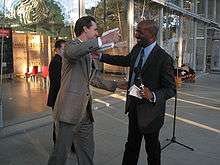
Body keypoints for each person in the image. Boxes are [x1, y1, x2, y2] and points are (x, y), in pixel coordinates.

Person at [98, 20, 176, 165]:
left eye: (140, 32)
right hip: (133, 106)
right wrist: (101, 57)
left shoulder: (164, 59)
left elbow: (171, 89)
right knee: (131, 145)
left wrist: (152, 95)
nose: (136, 35)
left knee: (152, 149)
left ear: (151, 34)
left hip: (151, 114)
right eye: (136, 31)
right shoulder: (137, 49)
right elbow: (125, 60)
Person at [47, 16, 119, 165]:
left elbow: (92, 76)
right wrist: (102, 41)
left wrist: (116, 85)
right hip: (68, 111)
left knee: (87, 152)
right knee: (60, 155)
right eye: (95, 29)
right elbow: (74, 52)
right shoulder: (70, 46)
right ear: (85, 29)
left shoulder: (86, 52)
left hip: (85, 113)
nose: (97, 33)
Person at [47, 39, 76, 153]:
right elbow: (58, 83)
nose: (66, 51)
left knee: (65, 122)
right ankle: (59, 146)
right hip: (59, 98)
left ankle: (67, 145)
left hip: (63, 97)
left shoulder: (62, 61)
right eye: (64, 49)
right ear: (57, 50)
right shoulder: (56, 62)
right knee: (59, 123)